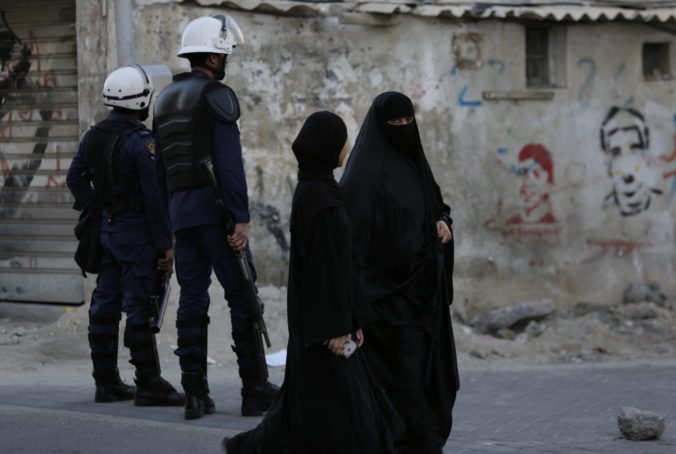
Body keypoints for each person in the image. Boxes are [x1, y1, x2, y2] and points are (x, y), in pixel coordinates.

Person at [223, 111, 402, 454]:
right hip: (323, 325)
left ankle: (249, 448)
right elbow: (323, 268)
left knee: (312, 404)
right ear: (327, 146)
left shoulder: (320, 190)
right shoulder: (317, 198)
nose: (347, 147)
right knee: (344, 407)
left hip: (329, 318)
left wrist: (355, 317)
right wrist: (335, 327)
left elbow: (343, 262)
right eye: (342, 140)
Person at [153, 15, 278, 420]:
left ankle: (195, 394)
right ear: (211, 55)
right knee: (242, 296)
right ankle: (256, 391)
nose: (227, 60)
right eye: (224, 53)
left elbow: (160, 174)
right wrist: (240, 219)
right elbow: (228, 165)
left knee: (192, 300)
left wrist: (167, 226)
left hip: (180, 216)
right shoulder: (216, 95)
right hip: (217, 214)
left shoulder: (165, 99)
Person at [339, 91, 460, 453]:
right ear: (380, 126)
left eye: (409, 122)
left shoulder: (416, 166)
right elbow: (352, 243)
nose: (404, 129)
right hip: (382, 304)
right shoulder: (362, 176)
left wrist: (442, 223)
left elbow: (438, 206)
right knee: (398, 382)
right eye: (395, 124)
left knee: (422, 378)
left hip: (421, 300)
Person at [66, 65, 184, 406]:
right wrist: (166, 245)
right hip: (136, 235)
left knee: (104, 304)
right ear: (142, 99)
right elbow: (155, 198)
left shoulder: (93, 135)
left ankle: (105, 382)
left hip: (105, 231)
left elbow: (75, 179)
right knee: (137, 307)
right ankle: (148, 382)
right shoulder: (141, 143)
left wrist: (99, 206)